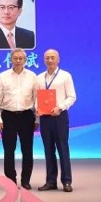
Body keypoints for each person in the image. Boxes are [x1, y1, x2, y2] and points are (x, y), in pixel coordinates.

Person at [0, 48, 38, 189]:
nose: (18, 61)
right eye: (15, 58)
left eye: (21, 58)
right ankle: (11, 180)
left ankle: (25, 180)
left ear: (25, 60)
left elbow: (37, 98)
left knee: (27, 150)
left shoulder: (32, 76)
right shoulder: (3, 76)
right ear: (11, 59)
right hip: (8, 116)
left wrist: (37, 119)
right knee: (9, 150)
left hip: (26, 116)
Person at [35, 49, 77, 192]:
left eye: (53, 57)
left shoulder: (65, 76)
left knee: (62, 149)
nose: (50, 60)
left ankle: (67, 181)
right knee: (48, 150)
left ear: (58, 59)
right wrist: (37, 109)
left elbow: (72, 97)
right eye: (47, 58)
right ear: (44, 60)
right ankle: (51, 181)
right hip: (45, 118)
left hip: (59, 117)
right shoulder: (39, 78)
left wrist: (60, 107)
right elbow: (37, 98)